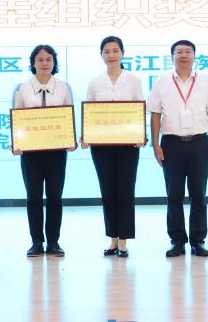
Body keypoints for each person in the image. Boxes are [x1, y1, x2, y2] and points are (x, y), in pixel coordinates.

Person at [147, 40, 208, 258]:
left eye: (188, 52)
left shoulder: (206, 81)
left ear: (194, 56)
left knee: (199, 195)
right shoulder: (162, 81)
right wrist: (155, 144)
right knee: (174, 195)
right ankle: (177, 241)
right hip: (171, 144)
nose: (183, 55)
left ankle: (198, 241)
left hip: (199, 143)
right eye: (179, 52)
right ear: (172, 57)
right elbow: (155, 114)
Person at [83, 36, 145, 258]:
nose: (111, 55)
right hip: (101, 146)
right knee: (107, 191)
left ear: (123, 53)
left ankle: (124, 241)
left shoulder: (134, 80)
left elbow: (140, 109)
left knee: (125, 191)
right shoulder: (95, 83)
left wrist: (140, 134)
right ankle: (113, 239)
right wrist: (86, 135)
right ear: (101, 55)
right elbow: (89, 112)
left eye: (115, 50)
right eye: (107, 51)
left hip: (128, 145)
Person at [13, 44, 74, 258]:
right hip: (31, 152)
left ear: (54, 62)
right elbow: (17, 117)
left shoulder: (64, 87)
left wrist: (70, 138)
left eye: (48, 59)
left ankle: (54, 242)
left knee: (55, 197)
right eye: (40, 59)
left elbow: (69, 115)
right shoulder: (22, 88)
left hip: (57, 152)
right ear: (33, 63)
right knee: (34, 198)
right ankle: (36, 242)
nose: (44, 63)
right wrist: (16, 141)